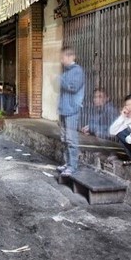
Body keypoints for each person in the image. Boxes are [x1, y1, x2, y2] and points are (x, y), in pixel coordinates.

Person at [57, 46, 85, 176]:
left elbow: (73, 87)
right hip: (64, 109)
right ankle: (67, 163)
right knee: (64, 138)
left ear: (70, 57)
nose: (61, 60)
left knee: (71, 139)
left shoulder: (77, 70)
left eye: (63, 58)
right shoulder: (66, 71)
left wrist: (60, 80)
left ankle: (72, 166)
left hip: (72, 110)